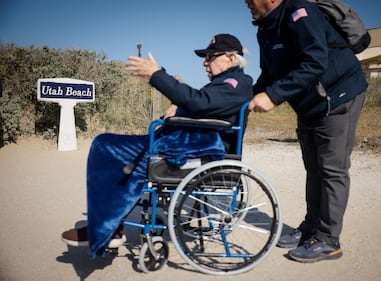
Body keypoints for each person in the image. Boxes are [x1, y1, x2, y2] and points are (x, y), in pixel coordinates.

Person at [61, 33, 253, 257]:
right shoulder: (229, 84)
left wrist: (157, 76)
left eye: (211, 57)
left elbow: (201, 103)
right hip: (190, 143)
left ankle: (106, 228)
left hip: (200, 151)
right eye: (206, 57)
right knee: (107, 145)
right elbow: (204, 104)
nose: (205, 62)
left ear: (231, 58)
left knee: (106, 147)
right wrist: (179, 107)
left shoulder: (235, 83)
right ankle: (107, 224)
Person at [244, 0, 367, 263]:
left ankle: (328, 240)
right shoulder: (265, 28)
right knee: (314, 167)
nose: (245, 1)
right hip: (310, 103)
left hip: (338, 94)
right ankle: (311, 227)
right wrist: (244, 99)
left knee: (332, 168)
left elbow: (315, 62)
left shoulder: (300, 12)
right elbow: (269, 74)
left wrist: (274, 96)